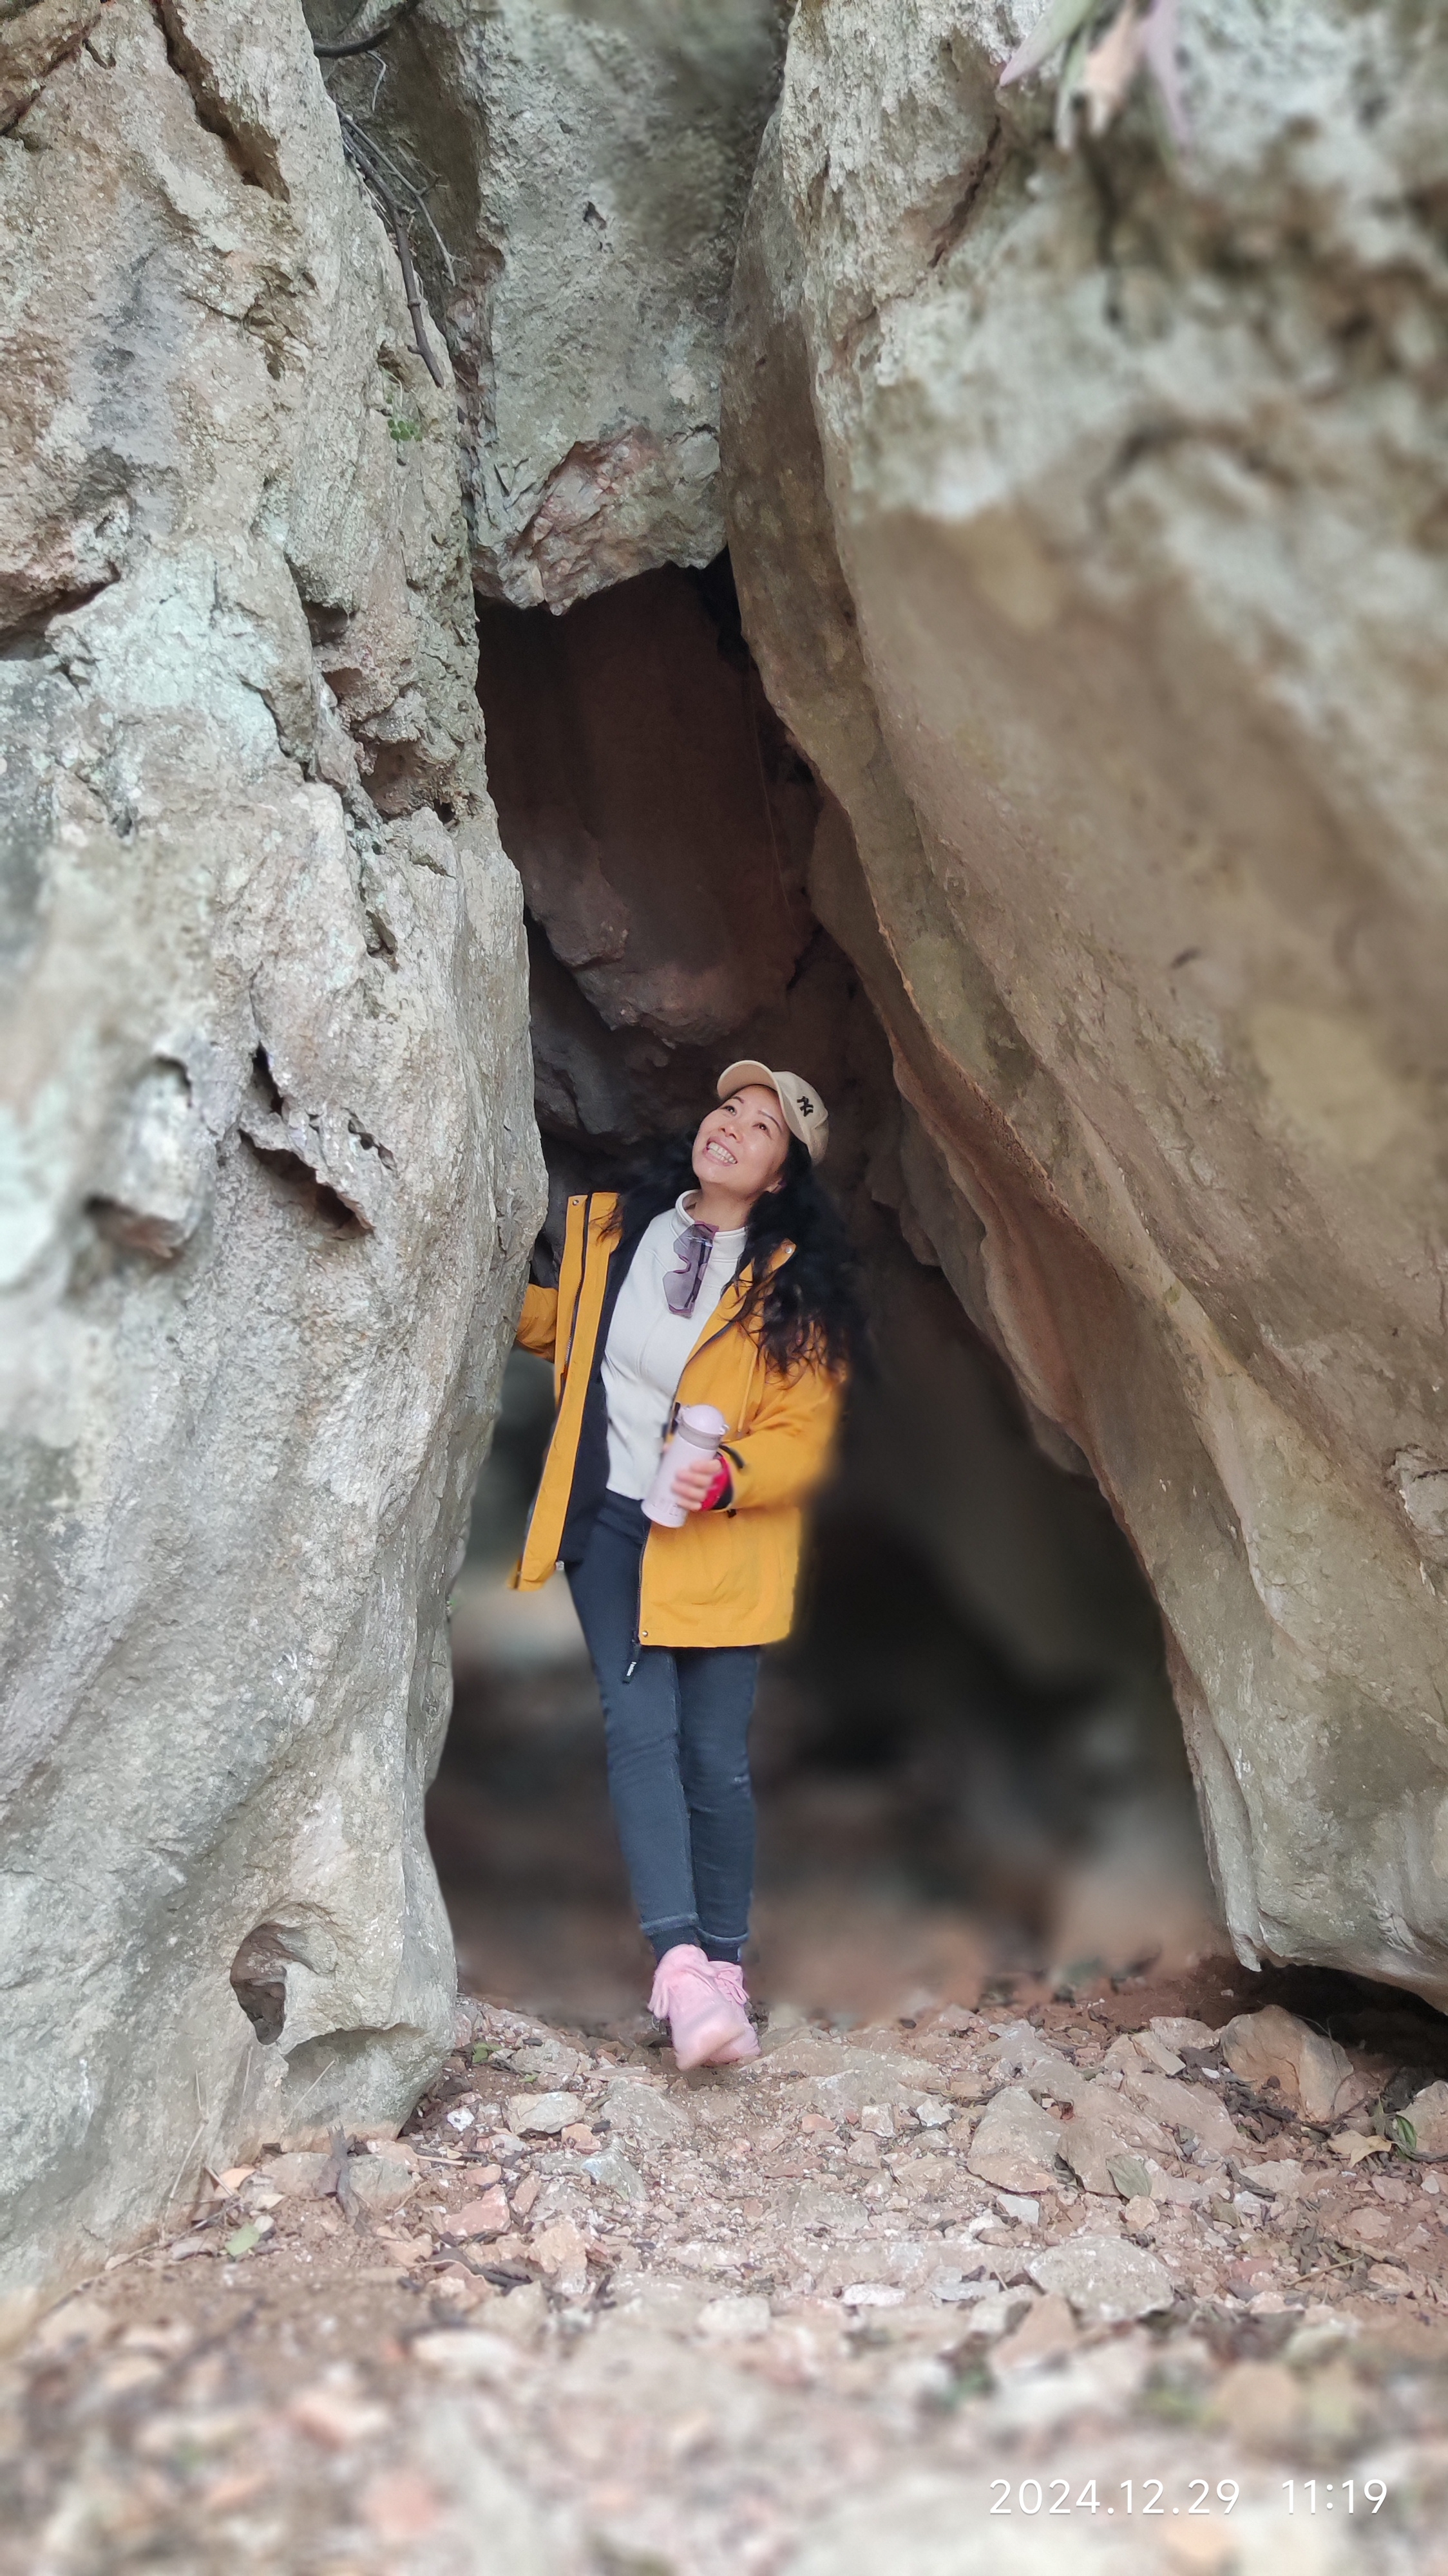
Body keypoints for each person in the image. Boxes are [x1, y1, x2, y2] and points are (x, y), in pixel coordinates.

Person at [511, 1062, 862, 2069]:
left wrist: (726, 1476)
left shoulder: (795, 1291)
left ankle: (725, 1968)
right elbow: (568, 1330)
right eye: (729, 1110)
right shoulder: (616, 1232)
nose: (734, 1128)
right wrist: (479, 1293)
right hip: (612, 1523)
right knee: (642, 1731)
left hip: (722, 1544)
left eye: (762, 1129)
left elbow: (802, 1434)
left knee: (715, 1761)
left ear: (780, 1176)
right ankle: (679, 1970)